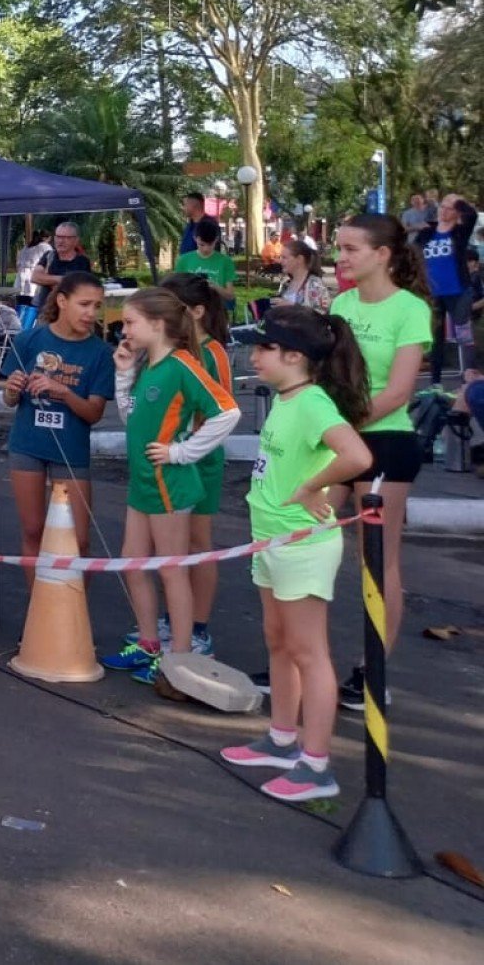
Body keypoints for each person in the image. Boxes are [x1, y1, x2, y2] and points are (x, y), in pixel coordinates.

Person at [219, 306, 374, 802]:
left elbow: (357, 457)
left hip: (301, 544)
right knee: (279, 642)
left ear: (293, 356)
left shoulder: (313, 404)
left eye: (264, 348)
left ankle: (316, 763)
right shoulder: (288, 399)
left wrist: (313, 487)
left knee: (310, 653)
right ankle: (281, 739)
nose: (255, 355)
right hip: (270, 540)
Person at [101, 288, 241, 686]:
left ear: (157, 324)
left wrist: (182, 452)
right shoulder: (150, 365)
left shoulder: (182, 364)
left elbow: (227, 411)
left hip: (168, 483)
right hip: (143, 481)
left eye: (129, 322)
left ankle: (179, 660)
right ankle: (149, 644)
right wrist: (124, 375)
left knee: (171, 569)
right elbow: (134, 421)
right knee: (134, 561)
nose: (122, 330)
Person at [329, 213, 433, 707]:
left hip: (385, 442)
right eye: (339, 249)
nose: (341, 258)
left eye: (350, 249)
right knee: (304, 540)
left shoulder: (408, 309)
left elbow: (398, 391)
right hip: (337, 439)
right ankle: (297, 657)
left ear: (382, 255)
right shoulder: (342, 303)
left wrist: (347, 426)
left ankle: (376, 672)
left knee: (377, 559)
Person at [0, 273, 113, 589]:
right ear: (62, 301)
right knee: (33, 531)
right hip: (27, 445)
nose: (91, 313)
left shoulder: (100, 353)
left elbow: (94, 413)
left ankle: (74, 619)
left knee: (78, 539)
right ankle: (39, 616)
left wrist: (63, 392)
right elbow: (10, 401)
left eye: (97, 306)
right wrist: (11, 389)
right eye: (84, 304)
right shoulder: (29, 340)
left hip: (71, 450)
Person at [161, 272, 235, 655]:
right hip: (171, 460)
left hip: (200, 460)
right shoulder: (173, 349)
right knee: (172, 544)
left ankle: (199, 627)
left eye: (172, 310)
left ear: (197, 311)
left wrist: (188, 443)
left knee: (198, 541)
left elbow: (221, 409)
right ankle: (175, 619)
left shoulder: (213, 353)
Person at [419, 193, 477, 386]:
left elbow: (472, 215)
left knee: (464, 336)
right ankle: (435, 384)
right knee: (436, 339)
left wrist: (458, 201)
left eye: (449, 208)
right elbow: (413, 255)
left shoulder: (460, 231)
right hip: (433, 294)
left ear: (457, 211)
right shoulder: (427, 233)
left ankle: (468, 382)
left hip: (458, 292)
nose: (444, 211)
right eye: (442, 206)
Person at [30, 222, 97, 310]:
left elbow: (79, 287)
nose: (61, 241)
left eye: (66, 238)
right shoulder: (49, 256)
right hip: (45, 313)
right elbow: (35, 277)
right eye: (58, 237)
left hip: (70, 314)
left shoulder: (82, 261)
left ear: (76, 240)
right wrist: (62, 279)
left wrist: (47, 279)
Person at [175, 216, 239, 304]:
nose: (206, 249)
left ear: (216, 239)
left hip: (215, 309)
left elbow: (230, 296)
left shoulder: (226, 262)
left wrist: (215, 287)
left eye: (210, 244)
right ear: (195, 238)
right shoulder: (183, 260)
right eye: (201, 244)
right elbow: (176, 291)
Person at [276, 239, 332, 312]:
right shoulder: (286, 284)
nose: (280, 261)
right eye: (280, 257)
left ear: (299, 259)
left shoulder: (315, 284)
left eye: (284, 257)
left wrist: (293, 307)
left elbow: (321, 314)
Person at [14, 229, 50, 318]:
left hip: (21, 275)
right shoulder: (45, 247)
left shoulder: (26, 247)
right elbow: (51, 260)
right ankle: (29, 320)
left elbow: (18, 264)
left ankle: (20, 318)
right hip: (33, 275)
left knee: (21, 299)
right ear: (47, 238)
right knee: (32, 301)